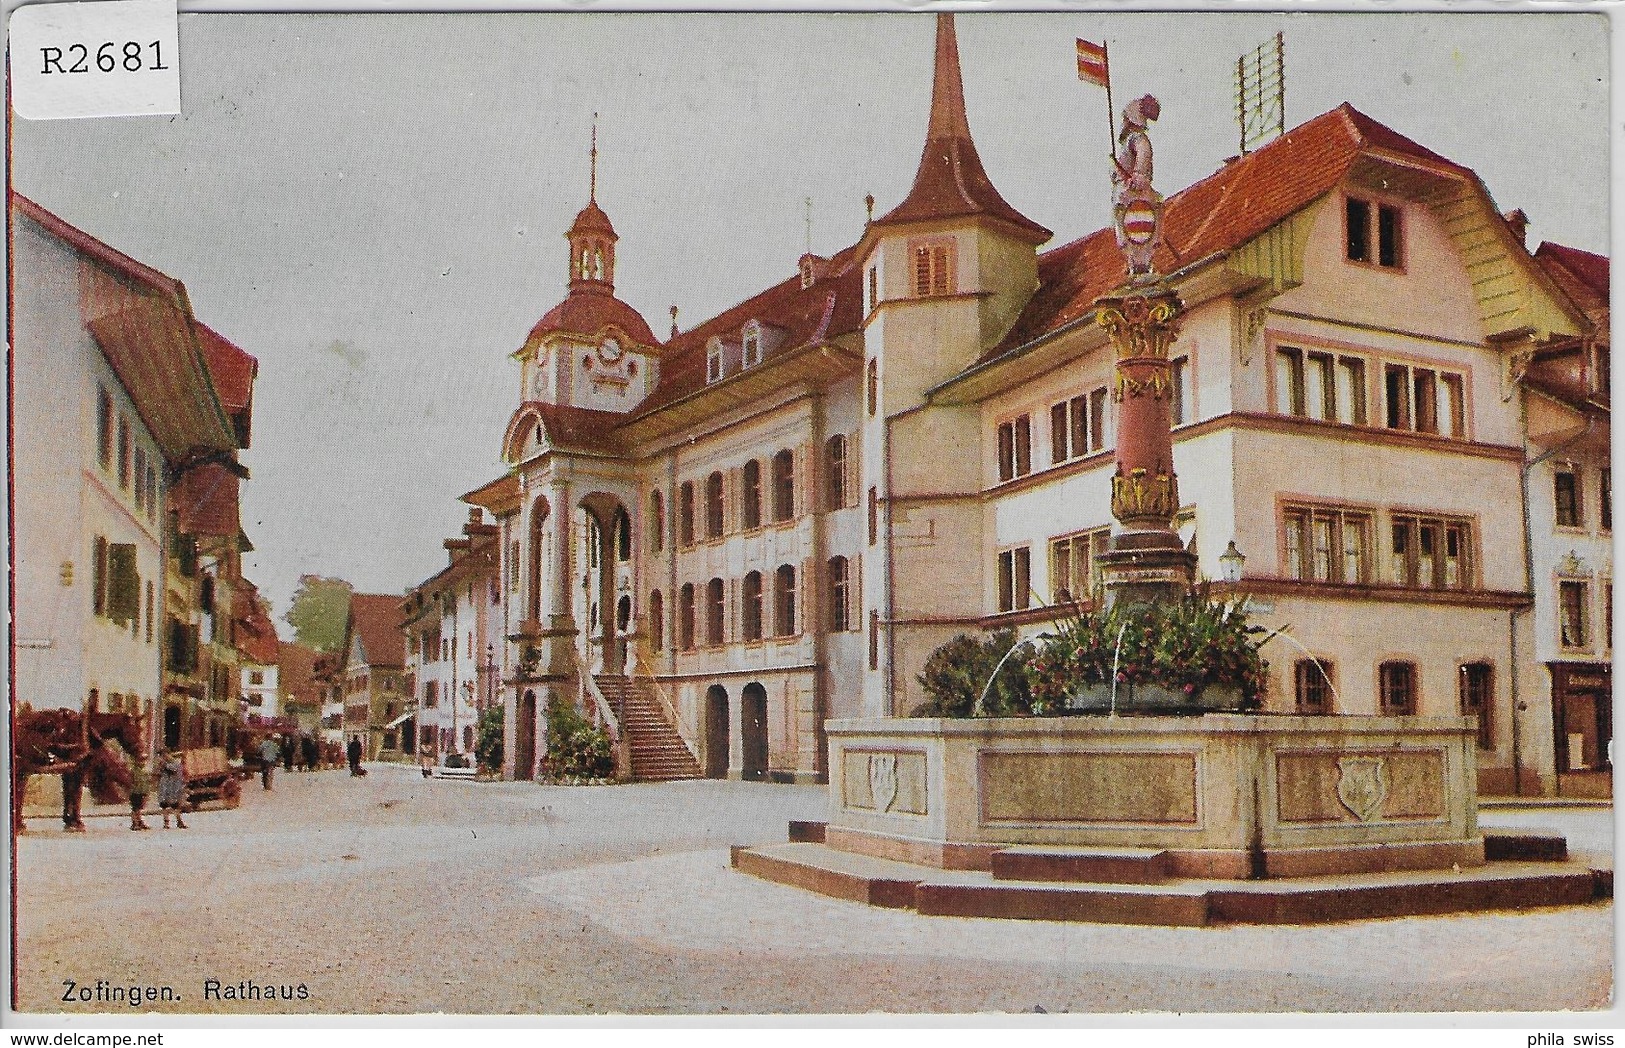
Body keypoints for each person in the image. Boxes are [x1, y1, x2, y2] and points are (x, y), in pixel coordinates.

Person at [156, 751, 187, 829]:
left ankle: (179, 820)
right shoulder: (162, 764)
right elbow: (157, 773)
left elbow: (174, 770)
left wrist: (164, 765)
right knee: (164, 805)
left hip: (173, 787)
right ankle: (166, 822)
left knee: (175, 805)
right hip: (165, 786)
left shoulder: (175, 763)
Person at [128, 755, 152, 831]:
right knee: (135, 808)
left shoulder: (144, 770)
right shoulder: (133, 770)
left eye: (144, 761)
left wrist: (147, 792)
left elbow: (147, 782)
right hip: (135, 791)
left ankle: (139, 821)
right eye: (141, 761)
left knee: (139, 808)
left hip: (142, 791)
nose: (143, 763)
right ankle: (135, 823)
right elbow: (131, 781)